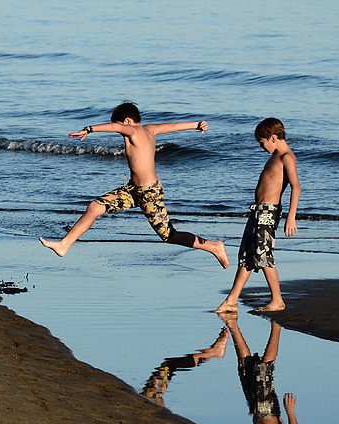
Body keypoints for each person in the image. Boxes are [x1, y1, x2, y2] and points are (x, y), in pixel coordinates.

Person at [39, 102, 229, 269]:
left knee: (169, 236)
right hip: (133, 190)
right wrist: (196, 124)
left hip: (148, 193)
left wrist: (89, 129)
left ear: (128, 121)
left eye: (121, 125)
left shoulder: (134, 130)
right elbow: (172, 125)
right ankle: (64, 244)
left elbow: (114, 127)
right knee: (95, 207)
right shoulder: (149, 129)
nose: (121, 131)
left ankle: (213, 246)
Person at [216, 118, 300, 312]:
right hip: (258, 211)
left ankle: (277, 300)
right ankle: (231, 300)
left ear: (272, 138)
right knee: (246, 255)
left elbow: (296, 187)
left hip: (268, 213)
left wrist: (291, 216)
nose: (261, 147)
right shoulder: (275, 155)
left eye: (262, 142)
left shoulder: (286, 156)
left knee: (263, 255)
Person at [219, 312, 298, 424]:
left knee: (245, 370)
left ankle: (232, 324)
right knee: (264, 368)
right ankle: (276, 327)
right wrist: (290, 412)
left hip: (258, 414)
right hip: (267, 413)